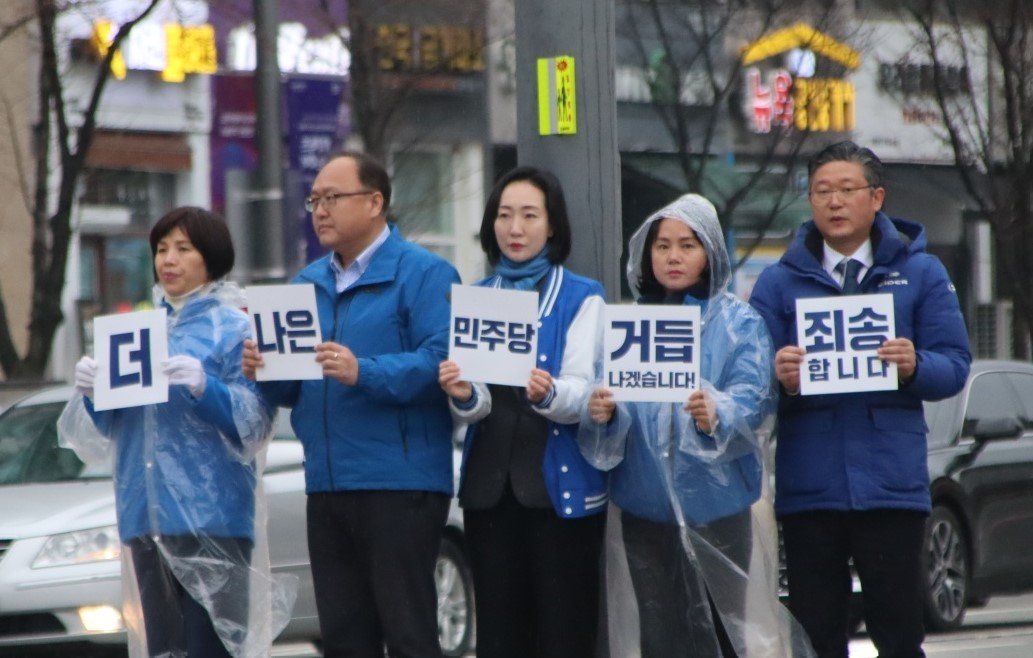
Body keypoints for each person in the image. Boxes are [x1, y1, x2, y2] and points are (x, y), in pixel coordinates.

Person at [749, 141, 972, 658]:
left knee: (897, 631)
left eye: (847, 189)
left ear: (877, 198)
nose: (834, 202)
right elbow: (749, 383)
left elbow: (955, 365)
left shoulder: (921, 273)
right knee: (817, 633)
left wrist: (914, 365)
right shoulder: (779, 284)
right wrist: (777, 376)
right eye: (821, 191)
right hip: (811, 487)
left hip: (890, 483)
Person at [242, 151, 460, 658]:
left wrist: (365, 371)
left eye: (332, 198)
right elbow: (291, 389)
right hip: (327, 483)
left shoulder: (425, 273)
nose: (319, 210)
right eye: (314, 200)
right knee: (344, 637)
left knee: (408, 633)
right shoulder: (305, 285)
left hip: (399, 482)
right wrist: (263, 372)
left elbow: (443, 360)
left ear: (375, 202)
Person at [580, 194, 806, 658]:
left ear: (710, 253)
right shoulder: (631, 323)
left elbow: (755, 399)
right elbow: (614, 401)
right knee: (660, 637)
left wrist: (718, 413)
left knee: (724, 632)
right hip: (645, 507)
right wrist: (603, 411)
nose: (673, 256)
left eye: (688, 244)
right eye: (662, 246)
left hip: (718, 507)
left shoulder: (739, 322)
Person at [59, 207, 286, 657]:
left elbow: (254, 424)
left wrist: (207, 386)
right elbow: (102, 433)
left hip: (213, 518)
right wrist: (91, 392)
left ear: (212, 257)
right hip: (145, 517)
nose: (169, 260)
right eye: (162, 249)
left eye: (183, 249)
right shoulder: (135, 330)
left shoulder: (236, 329)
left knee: (211, 649)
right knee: (164, 650)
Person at [438, 166, 607, 658]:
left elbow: (586, 389)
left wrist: (550, 394)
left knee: (565, 633)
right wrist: (464, 393)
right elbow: (473, 405)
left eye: (530, 215)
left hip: (560, 493)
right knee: (499, 635)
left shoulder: (581, 295)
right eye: (505, 215)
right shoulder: (478, 297)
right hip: (490, 491)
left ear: (552, 226)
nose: (515, 228)